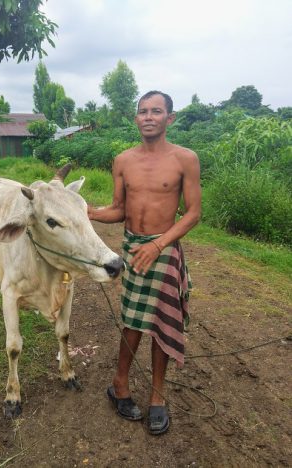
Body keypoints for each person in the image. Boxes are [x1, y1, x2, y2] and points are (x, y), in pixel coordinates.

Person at [88, 90, 201, 435]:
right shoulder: (123, 160)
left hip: (164, 250)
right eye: (142, 111)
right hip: (134, 248)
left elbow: (193, 213)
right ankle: (119, 385)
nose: (148, 117)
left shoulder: (185, 159)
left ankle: (157, 397)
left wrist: (160, 243)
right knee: (134, 322)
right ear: (135, 118)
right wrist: (85, 212)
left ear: (171, 118)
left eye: (156, 111)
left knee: (162, 323)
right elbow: (119, 209)